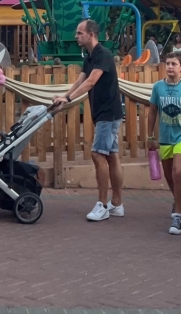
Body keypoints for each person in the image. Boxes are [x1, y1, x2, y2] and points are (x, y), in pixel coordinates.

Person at [52, 19, 124, 221]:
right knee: (111, 155)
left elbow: (91, 82)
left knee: (97, 155)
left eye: (79, 33)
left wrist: (68, 99)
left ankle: (101, 205)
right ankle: (117, 205)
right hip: (103, 113)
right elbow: (81, 79)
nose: (76, 36)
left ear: (91, 34)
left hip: (108, 113)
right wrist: (64, 97)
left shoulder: (103, 55)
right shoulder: (90, 56)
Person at [148, 53, 181, 234]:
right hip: (165, 137)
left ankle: (178, 216)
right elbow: (152, 112)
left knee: (179, 172)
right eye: (168, 63)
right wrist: (149, 137)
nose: (170, 66)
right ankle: (178, 198)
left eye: (174, 64)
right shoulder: (158, 87)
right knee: (169, 176)